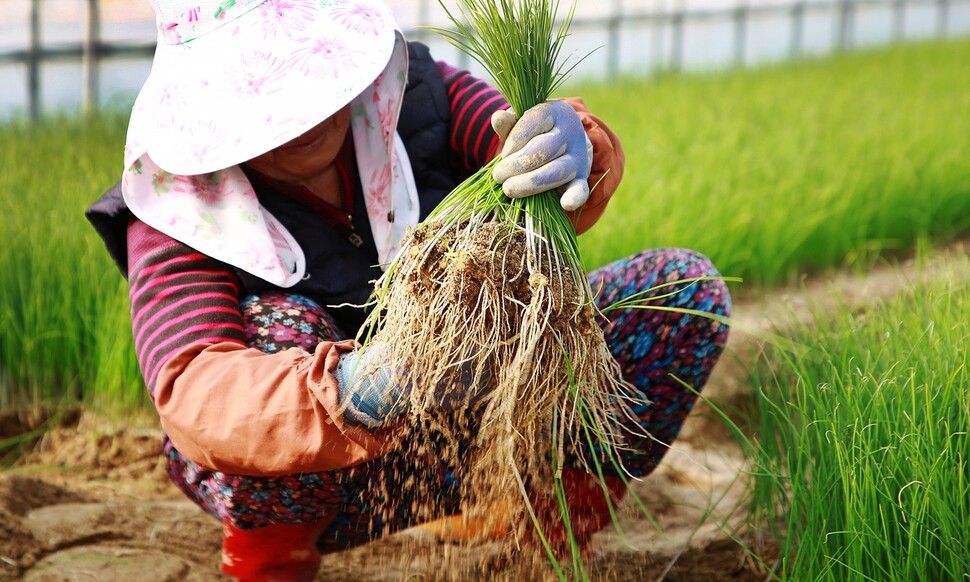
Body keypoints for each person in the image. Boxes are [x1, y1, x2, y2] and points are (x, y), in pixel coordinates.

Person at [86, 0, 732, 579]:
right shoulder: (176, 214)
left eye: (311, 80)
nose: (303, 117)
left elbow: (514, 148)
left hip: (491, 426)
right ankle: (274, 562)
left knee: (677, 293)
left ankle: (549, 533)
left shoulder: (414, 94)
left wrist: (567, 143)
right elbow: (200, 391)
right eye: (266, 106)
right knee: (278, 328)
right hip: (329, 473)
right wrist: (361, 383)